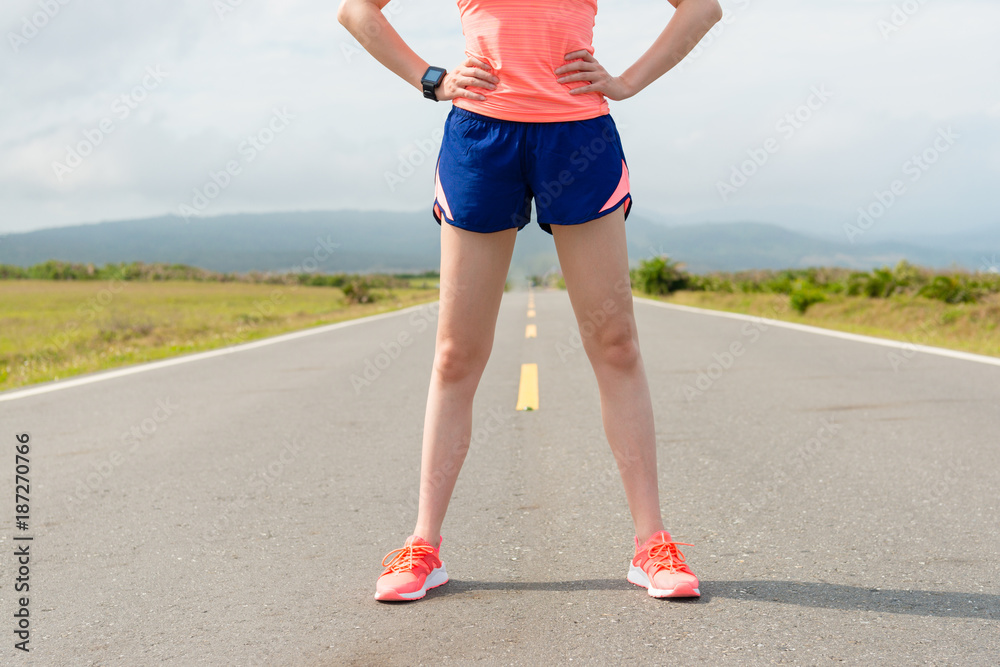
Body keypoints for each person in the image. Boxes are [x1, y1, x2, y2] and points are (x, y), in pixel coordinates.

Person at [337, 0, 723, 601]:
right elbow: (357, 12)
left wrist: (626, 83)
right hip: (481, 136)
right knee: (455, 354)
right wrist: (431, 79)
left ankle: (653, 545)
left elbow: (702, 9)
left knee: (616, 343)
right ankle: (423, 546)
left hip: (579, 137)